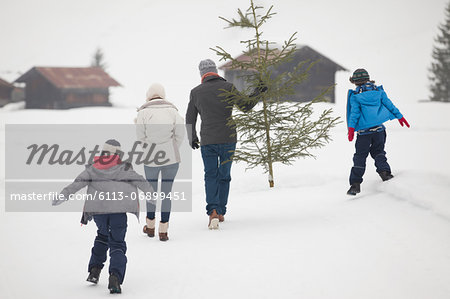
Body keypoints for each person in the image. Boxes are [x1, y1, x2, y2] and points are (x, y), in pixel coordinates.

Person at [52, 139, 154, 294]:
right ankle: (115, 276)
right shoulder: (124, 168)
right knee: (117, 243)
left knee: (102, 236)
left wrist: (63, 195)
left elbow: (77, 183)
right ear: (118, 154)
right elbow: (141, 181)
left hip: (99, 212)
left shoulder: (93, 168)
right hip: (119, 212)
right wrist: (151, 194)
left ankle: (94, 270)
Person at [186, 59, 266, 229]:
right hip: (228, 138)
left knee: (210, 175)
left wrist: (191, 137)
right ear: (215, 71)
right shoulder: (228, 87)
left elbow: (190, 118)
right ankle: (221, 211)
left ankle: (212, 211)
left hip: (208, 140)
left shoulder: (196, 92)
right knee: (224, 175)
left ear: (202, 74)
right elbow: (245, 106)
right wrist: (257, 92)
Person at [346, 68, 410, 195]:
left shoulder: (356, 96)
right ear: (368, 79)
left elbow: (354, 114)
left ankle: (355, 184)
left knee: (360, 156)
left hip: (364, 133)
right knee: (379, 152)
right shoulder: (379, 91)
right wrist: (400, 116)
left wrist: (351, 129)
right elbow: (389, 105)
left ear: (355, 82)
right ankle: (385, 173)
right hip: (379, 130)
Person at [135, 83, 184, 241]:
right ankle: (163, 230)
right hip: (171, 159)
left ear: (149, 95)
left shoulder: (143, 112)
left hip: (151, 159)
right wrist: (173, 147)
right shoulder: (172, 111)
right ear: (162, 94)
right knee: (166, 194)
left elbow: (140, 136)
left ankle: (150, 227)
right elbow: (180, 133)